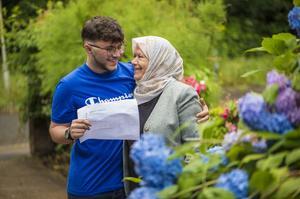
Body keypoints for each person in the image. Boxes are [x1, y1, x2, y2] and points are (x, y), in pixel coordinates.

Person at [49, 16, 209, 199]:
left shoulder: (131, 74)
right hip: (90, 186)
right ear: (88, 48)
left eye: (120, 46)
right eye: (109, 49)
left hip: (130, 184)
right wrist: (69, 132)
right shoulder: (69, 86)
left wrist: (199, 110)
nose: (117, 54)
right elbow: (55, 130)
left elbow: (168, 80)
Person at [124, 36, 203, 192]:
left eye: (140, 56)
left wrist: (182, 189)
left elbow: (195, 149)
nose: (133, 61)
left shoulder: (182, 94)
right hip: (136, 190)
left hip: (169, 190)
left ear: (157, 61)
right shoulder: (135, 93)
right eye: (134, 56)